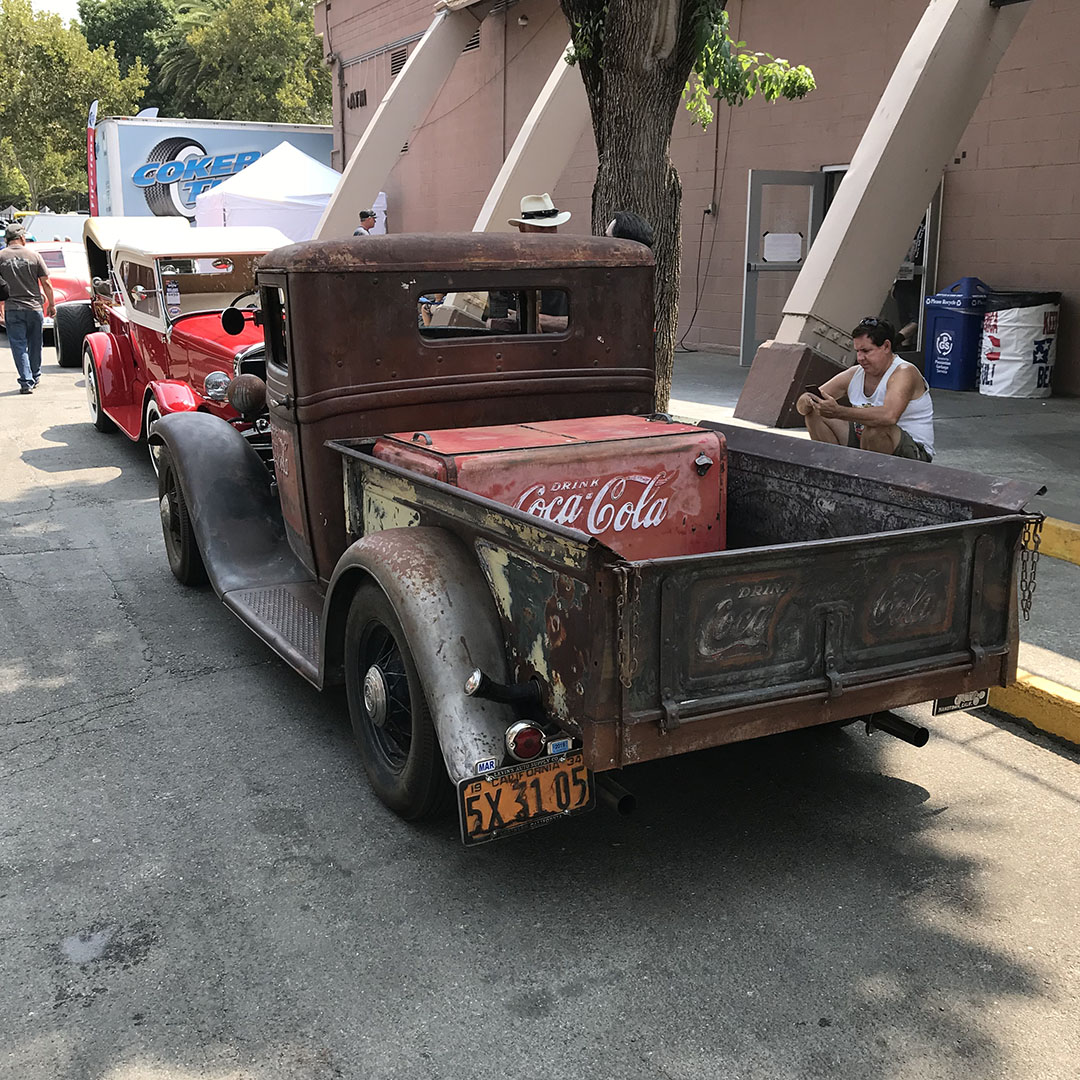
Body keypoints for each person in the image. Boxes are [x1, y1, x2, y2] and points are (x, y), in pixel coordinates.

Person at [796, 316, 935, 461]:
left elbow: (889, 416)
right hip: (865, 441)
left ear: (886, 347)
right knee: (816, 414)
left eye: (866, 351)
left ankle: (869, 480)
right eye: (857, 351)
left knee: (876, 428)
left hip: (913, 453)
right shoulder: (854, 373)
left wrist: (838, 411)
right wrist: (809, 402)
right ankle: (834, 470)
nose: (860, 358)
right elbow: (802, 404)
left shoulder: (904, 372)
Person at [0, 223, 55, 394]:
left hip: (12, 308)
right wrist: (52, 305)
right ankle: (35, 375)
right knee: (35, 343)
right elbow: (46, 283)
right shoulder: (34, 255)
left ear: (6, 239)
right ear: (22, 238)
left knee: (18, 345)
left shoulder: (1, 257)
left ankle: (25, 381)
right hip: (34, 308)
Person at [506, 193, 571, 332]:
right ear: (522, 229)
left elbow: (583, 322)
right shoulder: (508, 269)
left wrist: (538, 320)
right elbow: (492, 320)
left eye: (553, 227)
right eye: (541, 228)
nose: (548, 235)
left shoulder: (571, 267)